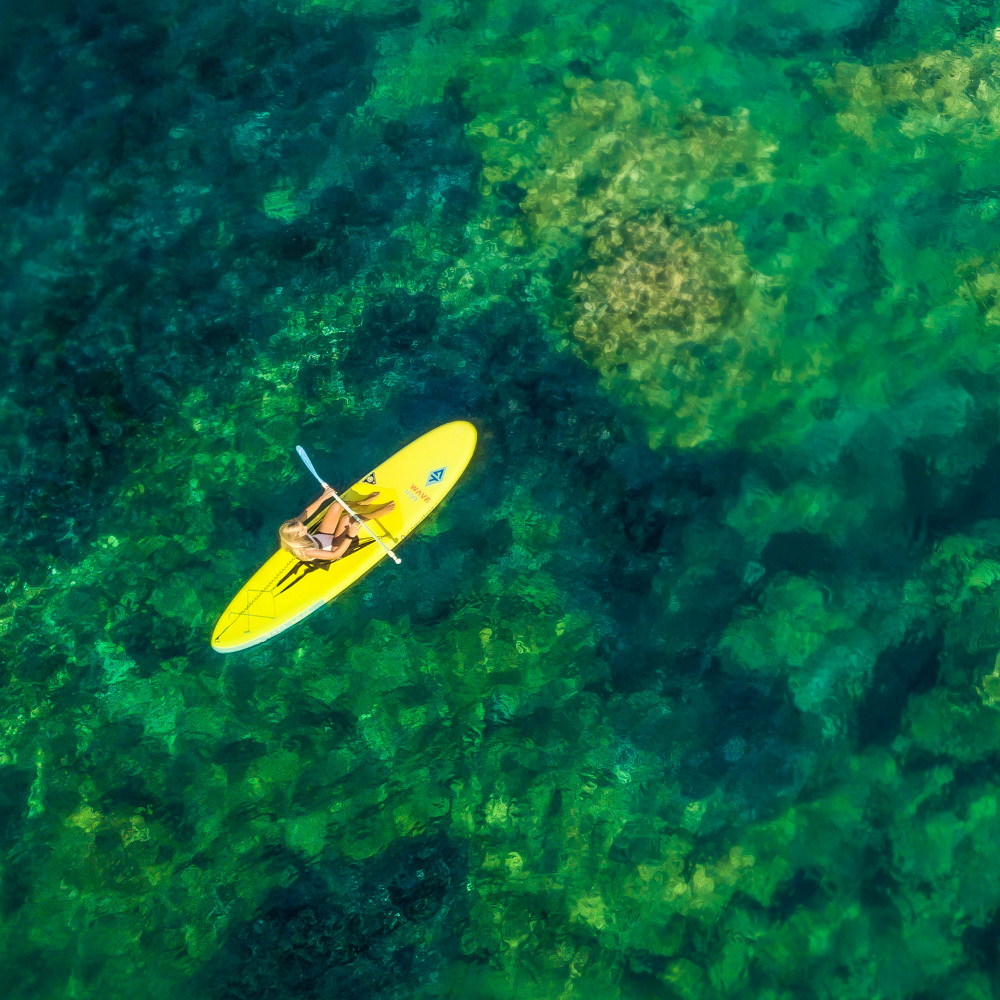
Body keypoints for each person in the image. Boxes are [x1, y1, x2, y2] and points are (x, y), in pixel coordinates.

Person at [278, 487, 395, 563]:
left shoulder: (291, 531)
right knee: (347, 519)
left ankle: (361, 503)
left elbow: (305, 514)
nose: (306, 526)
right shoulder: (306, 551)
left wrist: (323, 497)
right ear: (297, 537)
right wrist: (350, 536)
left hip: (321, 537)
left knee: (337, 505)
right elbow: (335, 555)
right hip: (333, 547)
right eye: (303, 529)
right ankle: (375, 514)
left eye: (302, 525)